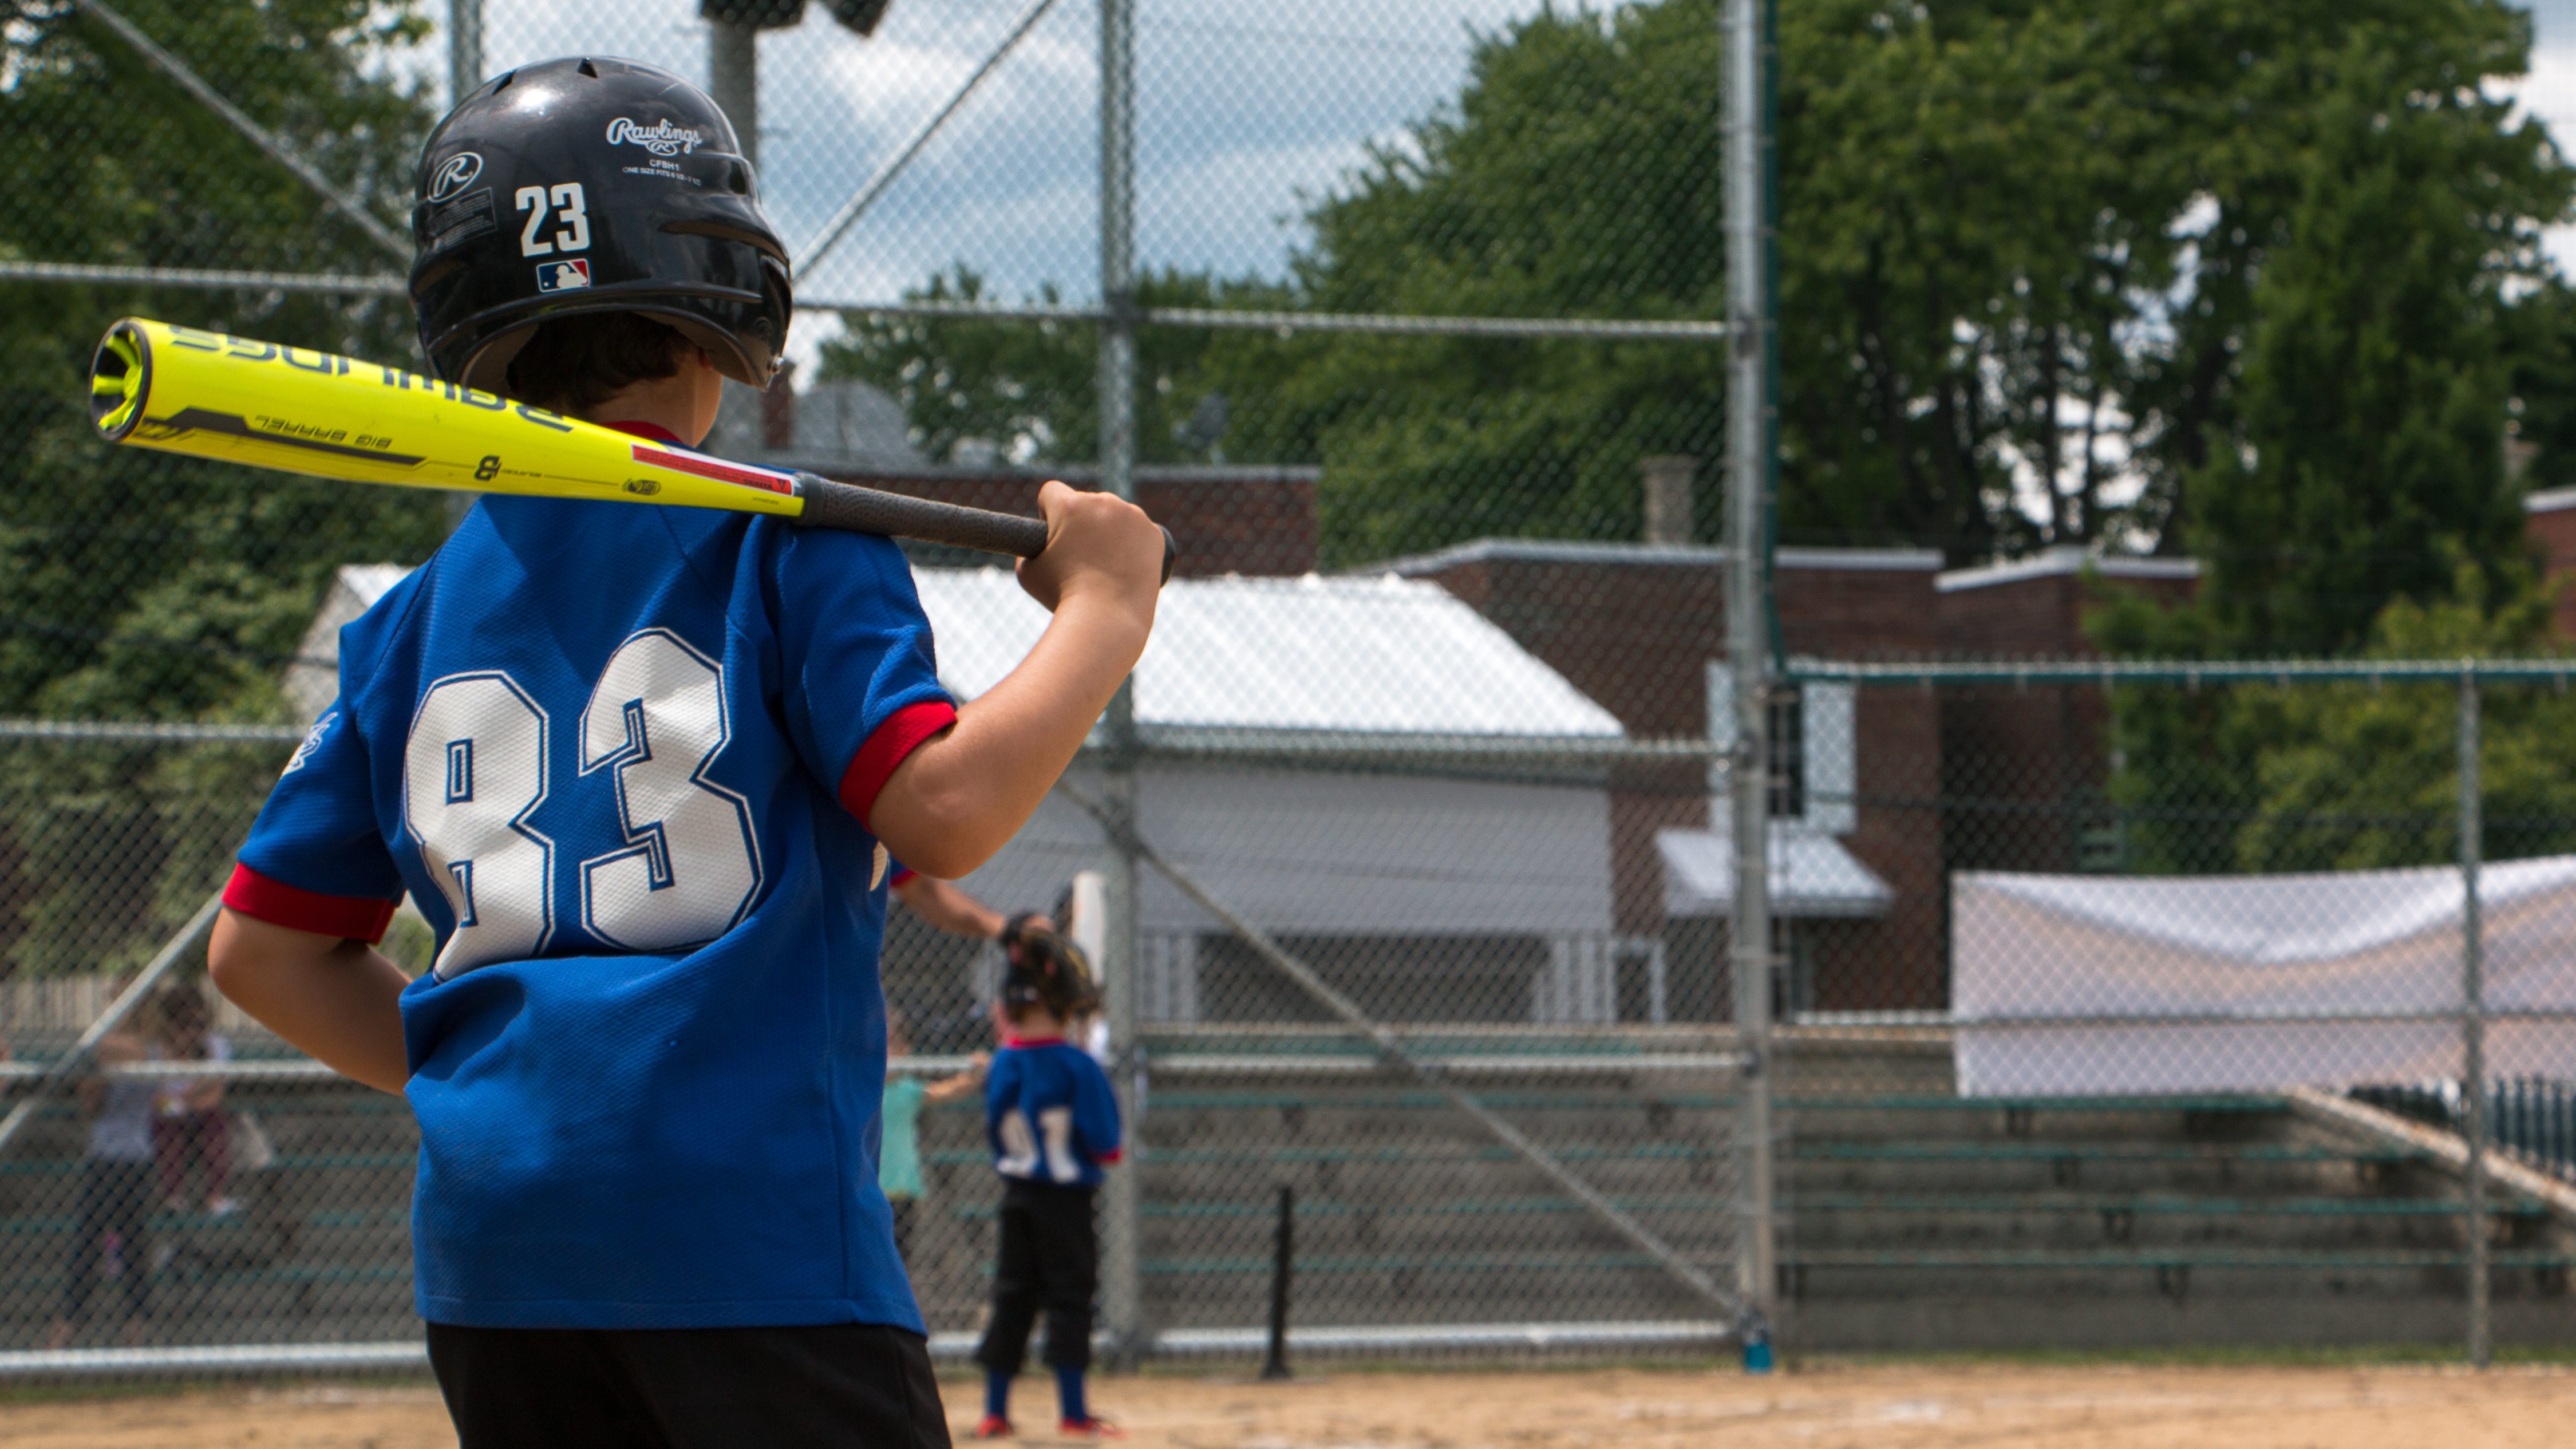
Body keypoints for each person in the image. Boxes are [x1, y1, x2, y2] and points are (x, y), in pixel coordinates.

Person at [203, 56, 1161, 1449]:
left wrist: (513, 1085)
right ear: (720, 302)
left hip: (501, 1266)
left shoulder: (404, 623)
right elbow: (945, 812)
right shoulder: (792, 546)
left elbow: (260, 953)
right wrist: (1105, 609)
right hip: (751, 1248)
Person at [971, 928, 1123, 1440]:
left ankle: (995, 1410)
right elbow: (1108, 1144)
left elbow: (996, 1132)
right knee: (1069, 1297)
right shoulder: (1078, 1065)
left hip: (1018, 1196)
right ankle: (1074, 1412)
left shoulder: (1004, 1064)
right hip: (1066, 1200)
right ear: (1067, 1006)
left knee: (1012, 1295)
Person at [46, 1029, 155, 1349]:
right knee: (88, 1242)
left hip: (136, 1156)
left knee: (135, 1244)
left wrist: (102, 1056)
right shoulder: (106, 1049)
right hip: (104, 1157)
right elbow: (92, 1106)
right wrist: (94, 1083)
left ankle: (136, 1329)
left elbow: (127, 1052)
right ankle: (68, 1325)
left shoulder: (146, 1046)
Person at [881, 1008, 986, 1268]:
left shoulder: (908, 1090)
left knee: (900, 1259)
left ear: (905, 1051)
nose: (887, 1052)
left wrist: (975, 1074)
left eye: (892, 1044)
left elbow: (947, 1091)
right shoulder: (862, 1089)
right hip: (871, 1188)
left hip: (902, 1189)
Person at [148, 982, 236, 1215]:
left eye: (200, 1025)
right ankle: (173, 1198)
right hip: (168, 1115)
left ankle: (215, 1198)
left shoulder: (216, 1046)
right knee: (168, 1130)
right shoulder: (155, 1050)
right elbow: (155, 1099)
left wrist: (180, 1099)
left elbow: (214, 1096)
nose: (193, 1033)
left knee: (215, 1124)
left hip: (200, 1113)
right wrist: (188, 1097)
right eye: (184, 1025)